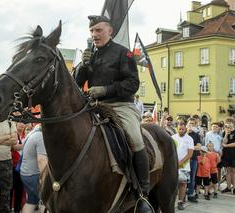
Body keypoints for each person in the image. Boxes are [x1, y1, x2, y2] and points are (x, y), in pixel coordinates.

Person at [74, 15, 152, 212]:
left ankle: (142, 195)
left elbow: (132, 84)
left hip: (120, 105)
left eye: (98, 30)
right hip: (93, 106)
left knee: (134, 138)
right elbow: (75, 85)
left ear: (110, 31)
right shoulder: (90, 53)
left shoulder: (123, 53)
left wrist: (105, 90)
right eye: (92, 31)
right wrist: (82, 67)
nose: (94, 34)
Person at [20, 124, 47, 213]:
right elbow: (41, 160)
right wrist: (44, 179)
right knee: (45, 202)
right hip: (34, 175)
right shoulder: (40, 137)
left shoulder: (32, 133)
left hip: (26, 173)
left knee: (32, 201)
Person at [172, 119, 194, 211]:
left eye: (183, 128)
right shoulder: (172, 137)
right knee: (173, 184)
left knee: (183, 184)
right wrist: (174, 163)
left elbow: (190, 154)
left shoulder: (189, 139)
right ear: (177, 128)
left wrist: (180, 163)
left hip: (184, 166)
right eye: (179, 128)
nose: (181, 129)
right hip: (172, 165)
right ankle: (171, 202)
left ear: (185, 128)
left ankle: (180, 202)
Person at [220, 118, 235, 195]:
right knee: (228, 172)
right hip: (226, 155)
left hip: (234, 155)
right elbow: (224, 142)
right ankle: (228, 187)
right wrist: (226, 134)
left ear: (233, 124)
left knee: (234, 172)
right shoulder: (224, 132)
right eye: (227, 122)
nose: (229, 124)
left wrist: (226, 145)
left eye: (230, 122)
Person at [186, 117, 201, 203]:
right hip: (184, 159)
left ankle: (190, 194)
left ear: (195, 125)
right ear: (187, 124)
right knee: (183, 177)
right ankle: (182, 194)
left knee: (192, 177)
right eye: (189, 123)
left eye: (193, 124)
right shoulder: (183, 133)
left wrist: (189, 147)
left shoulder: (196, 135)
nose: (191, 125)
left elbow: (198, 147)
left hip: (193, 158)